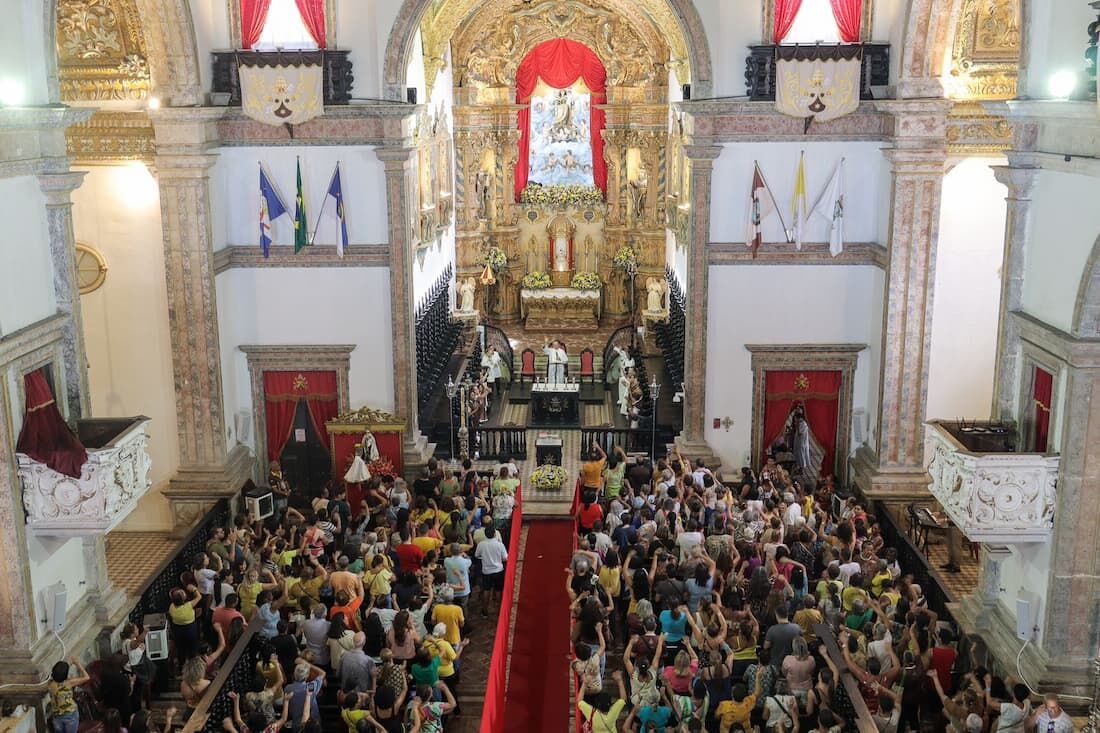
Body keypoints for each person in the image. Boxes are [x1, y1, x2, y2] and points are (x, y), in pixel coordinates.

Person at [47, 658, 90, 733]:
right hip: (70, 714)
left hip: (56, 715)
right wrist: (77, 663)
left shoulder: (50, 684)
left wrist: (66, 666)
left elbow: (58, 674)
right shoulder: (69, 683)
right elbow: (87, 677)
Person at [475, 526, 508, 616]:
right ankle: (500, 611)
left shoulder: (481, 544)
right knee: (498, 590)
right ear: (494, 534)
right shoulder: (499, 545)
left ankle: (485, 611)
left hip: (486, 571)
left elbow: (476, 555)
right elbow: (505, 558)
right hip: (498, 570)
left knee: (486, 590)